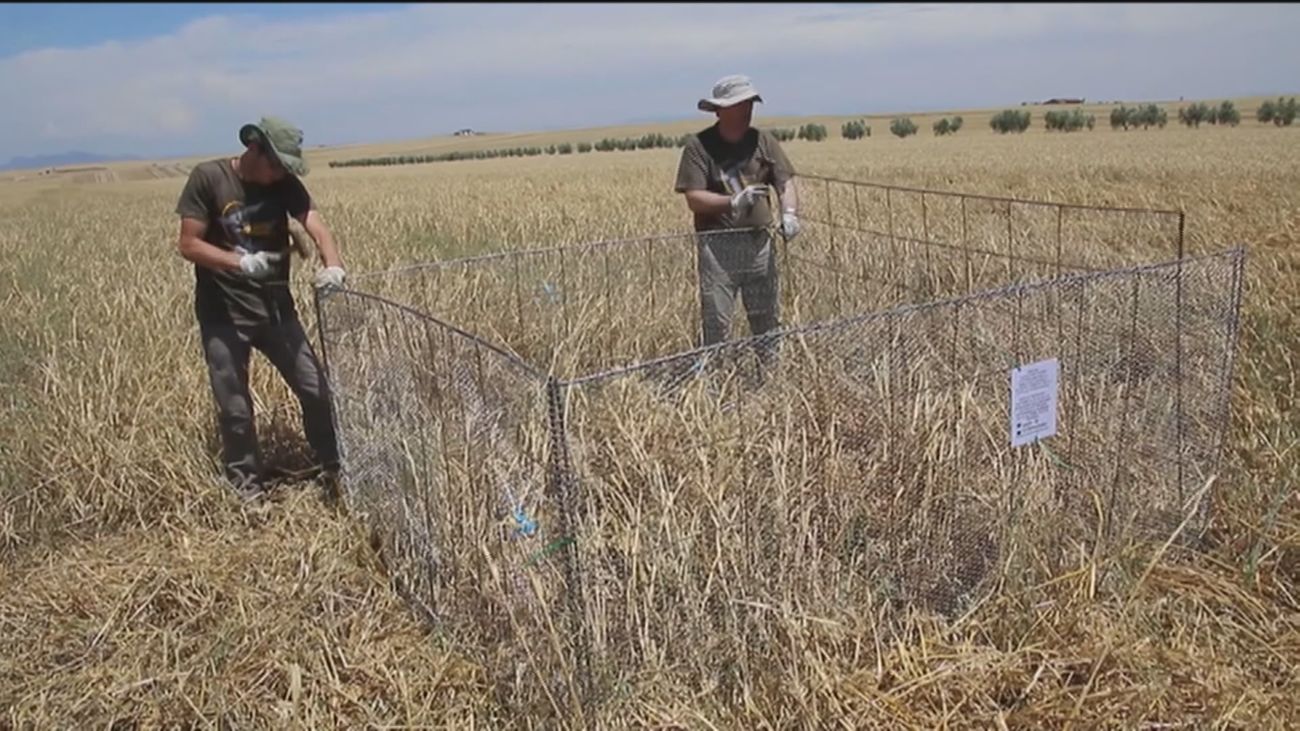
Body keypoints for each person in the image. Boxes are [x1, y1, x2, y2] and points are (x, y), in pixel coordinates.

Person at [174, 116, 348, 499]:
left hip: (276, 313)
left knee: (316, 390)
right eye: (275, 165)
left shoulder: (283, 181)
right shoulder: (209, 178)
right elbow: (188, 244)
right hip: (223, 316)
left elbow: (314, 222)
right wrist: (239, 263)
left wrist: (332, 264)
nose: (278, 175)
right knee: (234, 409)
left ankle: (335, 468)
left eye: (285, 168)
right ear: (254, 149)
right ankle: (247, 490)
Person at [674, 74, 801, 353]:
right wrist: (732, 202)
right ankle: (715, 380)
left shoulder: (763, 141)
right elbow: (694, 197)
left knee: (766, 319)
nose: (747, 110)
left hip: (759, 243)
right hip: (718, 247)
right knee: (717, 321)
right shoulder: (699, 146)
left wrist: (789, 213)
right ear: (720, 110)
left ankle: (768, 378)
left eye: (749, 104)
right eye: (739, 105)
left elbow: (784, 181)